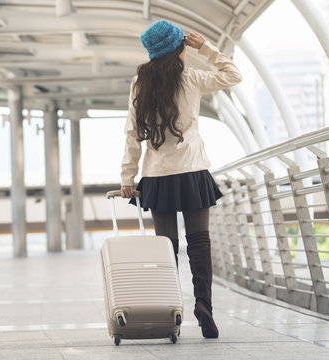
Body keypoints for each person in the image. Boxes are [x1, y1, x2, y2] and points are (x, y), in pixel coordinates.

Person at [120, 19, 242, 339]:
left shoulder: (140, 83)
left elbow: (132, 135)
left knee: (166, 246)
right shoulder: (190, 78)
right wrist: (205, 48)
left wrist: (127, 178)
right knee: (199, 242)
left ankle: (171, 311)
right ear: (179, 49)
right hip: (192, 171)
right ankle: (204, 306)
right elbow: (234, 74)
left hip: (158, 176)